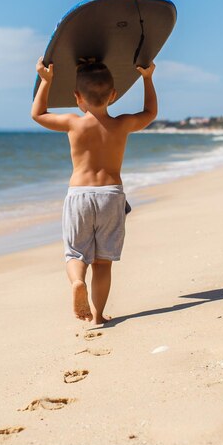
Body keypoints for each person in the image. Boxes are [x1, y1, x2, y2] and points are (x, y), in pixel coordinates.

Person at [31, 57, 157, 323]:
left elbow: (38, 114)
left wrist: (46, 81)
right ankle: (98, 316)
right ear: (113, 95)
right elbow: (150, 113)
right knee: (103, 262)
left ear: (78, 97)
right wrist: (147, 78)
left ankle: (77, 281)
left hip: (79, 195)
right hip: (111, 195)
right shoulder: (122, 124)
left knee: (76, 254)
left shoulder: (73, 123)